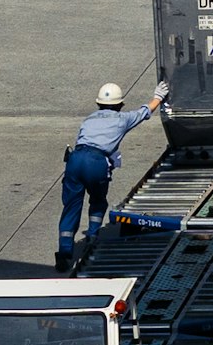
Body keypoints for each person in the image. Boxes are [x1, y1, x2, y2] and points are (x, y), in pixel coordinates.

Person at [59, 81, 165, 262]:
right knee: (98, 201)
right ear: (120, 105)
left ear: (98, 103)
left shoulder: (89, 118)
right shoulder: (122, 119)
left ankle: (64, 251)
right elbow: (145, 112)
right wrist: (159, 97)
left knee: (71, 206)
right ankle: (92, 237)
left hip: (75, 159)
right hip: (96, 162)